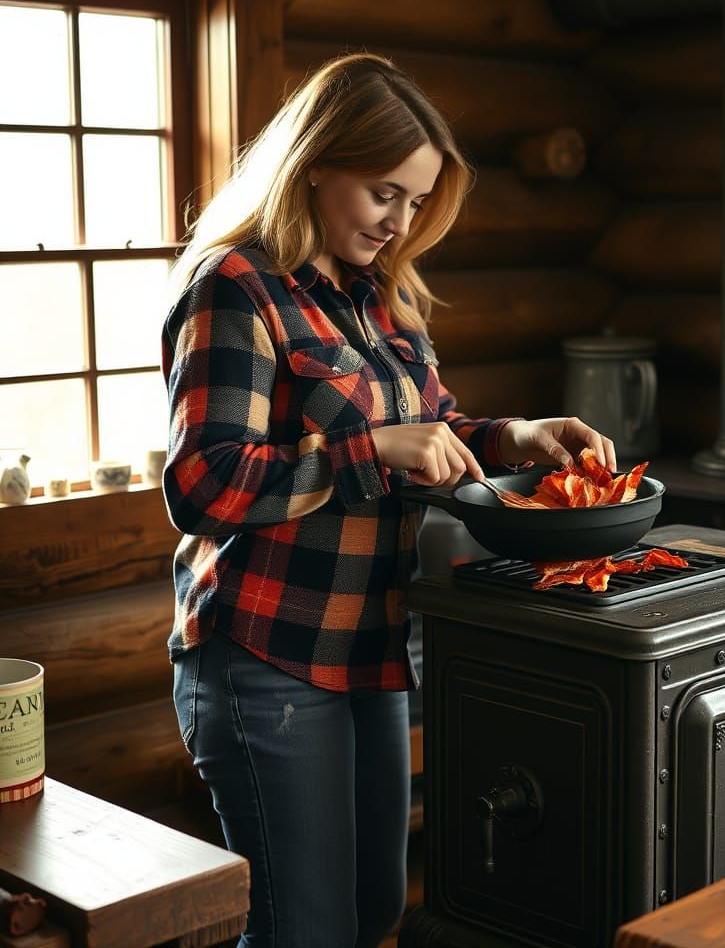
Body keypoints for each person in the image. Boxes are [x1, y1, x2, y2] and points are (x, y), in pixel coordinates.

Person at [161, 51, 617, 948]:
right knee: (305, 933)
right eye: (384, 194)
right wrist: (364, 452)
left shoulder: (376, 296)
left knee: (374, 917)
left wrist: (516, 436)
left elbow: (432, 432)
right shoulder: (236, 288)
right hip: (265, 657)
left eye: (416, 202)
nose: (400, 221)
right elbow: (202, 484)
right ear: (315, 164)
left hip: (369, 648)